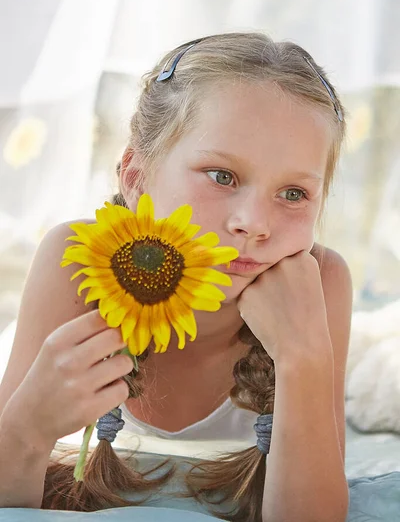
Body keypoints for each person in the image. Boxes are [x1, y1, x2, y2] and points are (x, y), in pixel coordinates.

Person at [0, 33, 352, 522]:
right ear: (136, 177)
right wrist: (26, 432)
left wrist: (301, 357)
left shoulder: (322, 280)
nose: (255, 223)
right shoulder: (77, 259)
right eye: (222, 176)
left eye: (293, 194)